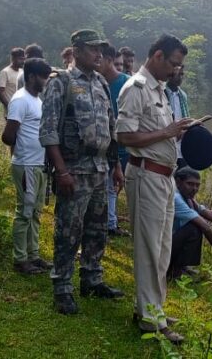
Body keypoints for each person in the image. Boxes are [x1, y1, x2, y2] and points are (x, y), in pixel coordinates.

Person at [40, 29, 125, 315]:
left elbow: (110, 127)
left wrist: (116, 167)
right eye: (92, 49)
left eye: (100, 49)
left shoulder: (101, 82)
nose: (98, 54)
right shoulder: (60, 82)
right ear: (75, 52)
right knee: (68, 231)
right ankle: (62, 287)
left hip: (101, 168)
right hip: (74, 170)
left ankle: (92, 278)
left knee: (97, 229)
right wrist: (61, 172)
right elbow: (49, 131)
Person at [116, 34, 193, 344]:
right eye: (174, 64)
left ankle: (153, 308)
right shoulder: (135, 88)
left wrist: (182, 130)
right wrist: (167, 131)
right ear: (158, 56)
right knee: (149, 248)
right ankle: (152, 321)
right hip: (145, 176)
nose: (176, 70)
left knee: (162, 249)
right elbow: (124, 136)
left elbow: (162, 135)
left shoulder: (159, 89)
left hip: (164, 179)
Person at [2, 58, 54, 275]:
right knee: (24, 211)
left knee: (35, 212)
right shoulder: (20, 100)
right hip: (26, 165)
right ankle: (20, 259)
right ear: (32, 76)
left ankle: (33, 255)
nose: (45, 81)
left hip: (38, 164)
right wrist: (24, 149)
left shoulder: (37, 101)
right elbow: (8, 135)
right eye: (43, 77)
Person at [99, 44, 132, 238]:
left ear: (108, 60)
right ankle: (107, 224)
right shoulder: (96, 82)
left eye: (99, 58)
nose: (96, 62)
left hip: (123, 149)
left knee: (115, 187)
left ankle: (111, 223)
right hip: (103, 148)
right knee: (103, 189)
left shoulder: (127, 84)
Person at [164, 66, 190, 169]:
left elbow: (186, 117)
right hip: (167, 145)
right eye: (178, 74)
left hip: (182, 147)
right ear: (170, 75)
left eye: (182, 75)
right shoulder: (163, 93)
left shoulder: (183, 95)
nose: (181, 77)